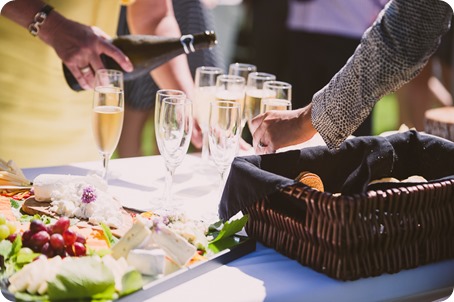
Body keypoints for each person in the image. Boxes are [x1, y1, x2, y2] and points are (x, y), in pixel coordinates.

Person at [0, 0, 195, 168]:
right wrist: (53, 27)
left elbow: (153, 17)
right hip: (8, 129)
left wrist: (186, 101)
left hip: (86, 139)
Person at [250, 0, 453, 154]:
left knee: (345, 162)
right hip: (305, 29)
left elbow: (406, 33)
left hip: (352, 33)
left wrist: (302, 121)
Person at [117, 0, 221, 157]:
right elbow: (151, 17)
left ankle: (166, 173)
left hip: (187, 10)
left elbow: (155, 17)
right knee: (137, 101)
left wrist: (187, 101)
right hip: (143, 14)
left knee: (192, 108)